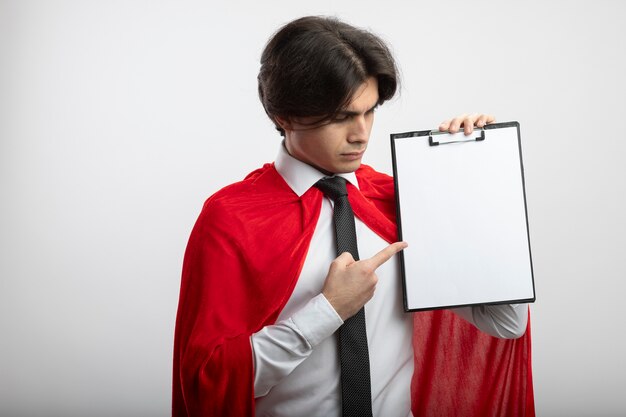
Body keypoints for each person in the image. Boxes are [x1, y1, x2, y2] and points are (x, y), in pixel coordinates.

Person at [172, 16, 534, 417]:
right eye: (342, 116)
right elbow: (207, 383)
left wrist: (481, 184)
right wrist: (328, 309)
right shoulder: (231, 219)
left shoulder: (401, 200)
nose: (361, 133)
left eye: (370, 111)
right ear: (284, 116)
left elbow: (505, 322)